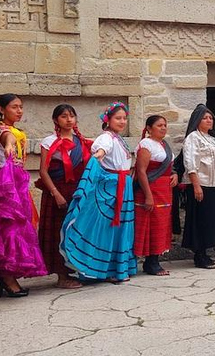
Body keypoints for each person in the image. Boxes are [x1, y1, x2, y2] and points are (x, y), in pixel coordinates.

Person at [0, 94, 46, 297]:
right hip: (6, 184)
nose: (19, 111)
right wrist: (8, 145)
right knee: (7, 228)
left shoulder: (15, 131)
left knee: (16, 227)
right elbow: (8, 137)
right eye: (14, 107)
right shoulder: (1, 130)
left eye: (21, 107)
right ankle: (7, 277)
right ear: (1, 109)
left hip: (16, 183)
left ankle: (7, 274)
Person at [61, 102, 137, 282]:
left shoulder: (118, 138)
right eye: (118, 118)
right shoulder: (106, 138)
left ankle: (117, 269)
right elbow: (101, 151)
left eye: (124, 118)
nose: (122, 121)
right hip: (113, 187)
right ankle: (106, 270)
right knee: (108, 228)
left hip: (123, 186)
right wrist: (98, 156)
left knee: (119, 228)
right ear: (108, 120)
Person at [36, 104, 91, 289]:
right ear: (55, 120)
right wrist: (56, 194)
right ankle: (62, 275)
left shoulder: (81, 141)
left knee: (77, 230)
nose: (69, 120)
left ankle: (80, 269)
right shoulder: (49, 142)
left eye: (72, 116)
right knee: (58, 232)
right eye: (64, 116)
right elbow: (43, 171)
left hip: (77, 191)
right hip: (58, 191)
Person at [181, 104, 215, 269]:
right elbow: (190, 163)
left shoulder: (211, 139)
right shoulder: (193, 138)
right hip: (202, 185)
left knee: (211, 220)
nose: (209, 120)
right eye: (205, 118)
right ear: (197, 120)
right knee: (201, 220)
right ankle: (199, 256)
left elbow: (213, 159)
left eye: (210, 118)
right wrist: (196, 186)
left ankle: (205, 253)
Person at [134, 115, 178, 276]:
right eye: (159, 125)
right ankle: (151, 262)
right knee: (151, 225)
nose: (163, 128)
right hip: (151, 189)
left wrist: (174, 174)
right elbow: (141, 171)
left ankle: (154, 260)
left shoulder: (164, 145)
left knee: (161, 224)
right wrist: (148, 195)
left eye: (165, 125)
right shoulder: (146, 145)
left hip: (164, 191)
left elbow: (168, 167)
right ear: (149, 128)